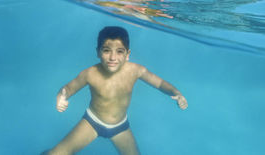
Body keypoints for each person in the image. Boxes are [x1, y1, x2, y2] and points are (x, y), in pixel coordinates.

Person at [43, 26, 188, 155]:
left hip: (120, 127)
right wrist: (61, 96)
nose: (113, 57)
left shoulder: (136, 70)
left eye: (119, 51)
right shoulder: (90, 73)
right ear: (98, 52)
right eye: (106, 51)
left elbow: (160, 83)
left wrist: (176, 93)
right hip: (92, 121)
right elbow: (68, 88)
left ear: (127, 54)